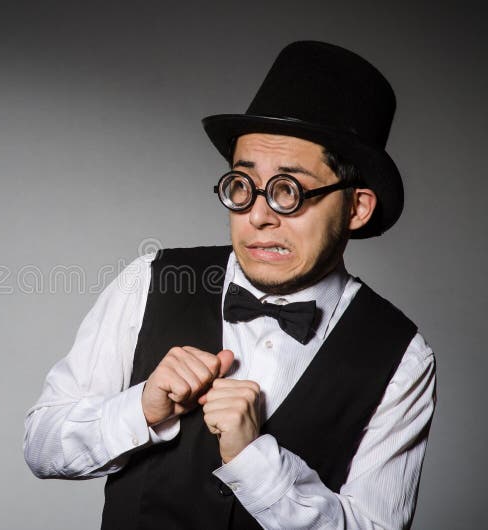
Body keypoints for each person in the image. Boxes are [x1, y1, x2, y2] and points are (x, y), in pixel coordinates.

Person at [23, 41, 436, 530]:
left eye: (288, 191)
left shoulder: (403, 356)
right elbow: (41, 444)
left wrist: (255, 462)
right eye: (242, 185)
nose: (257, 216)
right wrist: (140, 409)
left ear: (356, 208)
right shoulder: (152, 279)